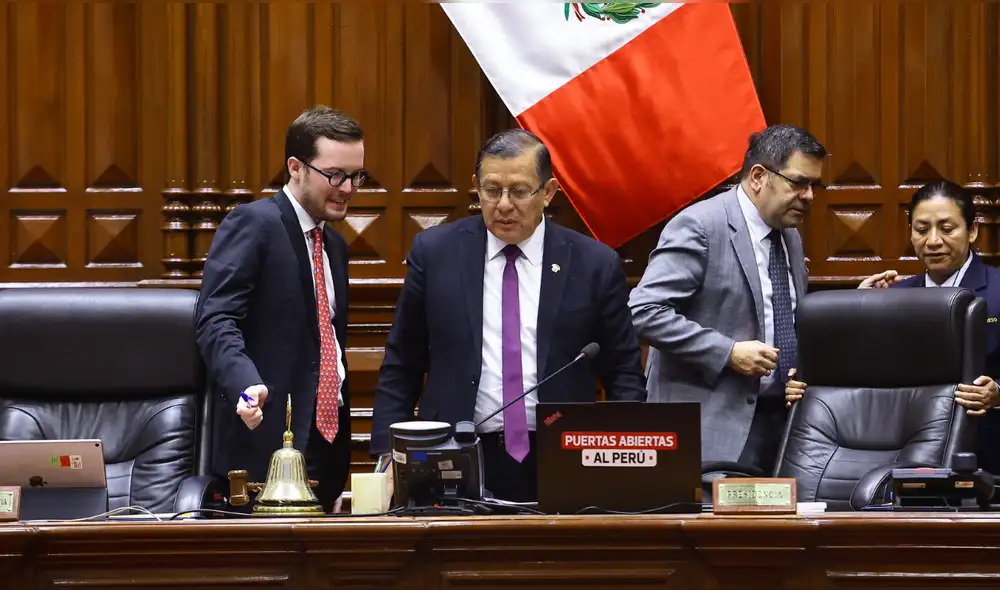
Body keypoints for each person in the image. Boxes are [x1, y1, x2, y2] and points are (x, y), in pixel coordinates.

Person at [370, 129, 647, 502]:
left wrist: (623, 460)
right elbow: (402, 360)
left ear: (547, 192)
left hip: (563, 454)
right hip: (455, 452)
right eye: (491, 190)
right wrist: (390, 456)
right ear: (475, 187)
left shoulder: (593, 264)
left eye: (519, 191)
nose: (503, 204)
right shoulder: (436, 253)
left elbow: (623, 374)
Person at [195, 106, 366, 513]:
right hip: (266, 443)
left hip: (325, 447)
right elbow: (216, 318)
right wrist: (245, 383)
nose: (347, 188)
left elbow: (326, 344)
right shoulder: (254, 224)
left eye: (357, 175)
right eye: (335, 175)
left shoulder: (335, 247)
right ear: (296, 167)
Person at [628, 124, 826, 474]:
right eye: (798, 183)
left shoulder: (789, 235)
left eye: (814, 185)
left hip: (783, 423)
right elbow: (643, 312)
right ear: (758, 177)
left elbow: (783, 314)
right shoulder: (701, 225)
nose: (809, 196)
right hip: (712, 426)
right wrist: (728, 353)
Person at [785, 179, 1000, 473]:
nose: (933, 241)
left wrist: (997, 391)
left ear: (972, 230)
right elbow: (861, 375)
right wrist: (806, 380)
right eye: (921, 230)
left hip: (985, 449)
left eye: (947, 229)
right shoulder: (895, 297)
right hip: (902, 451)